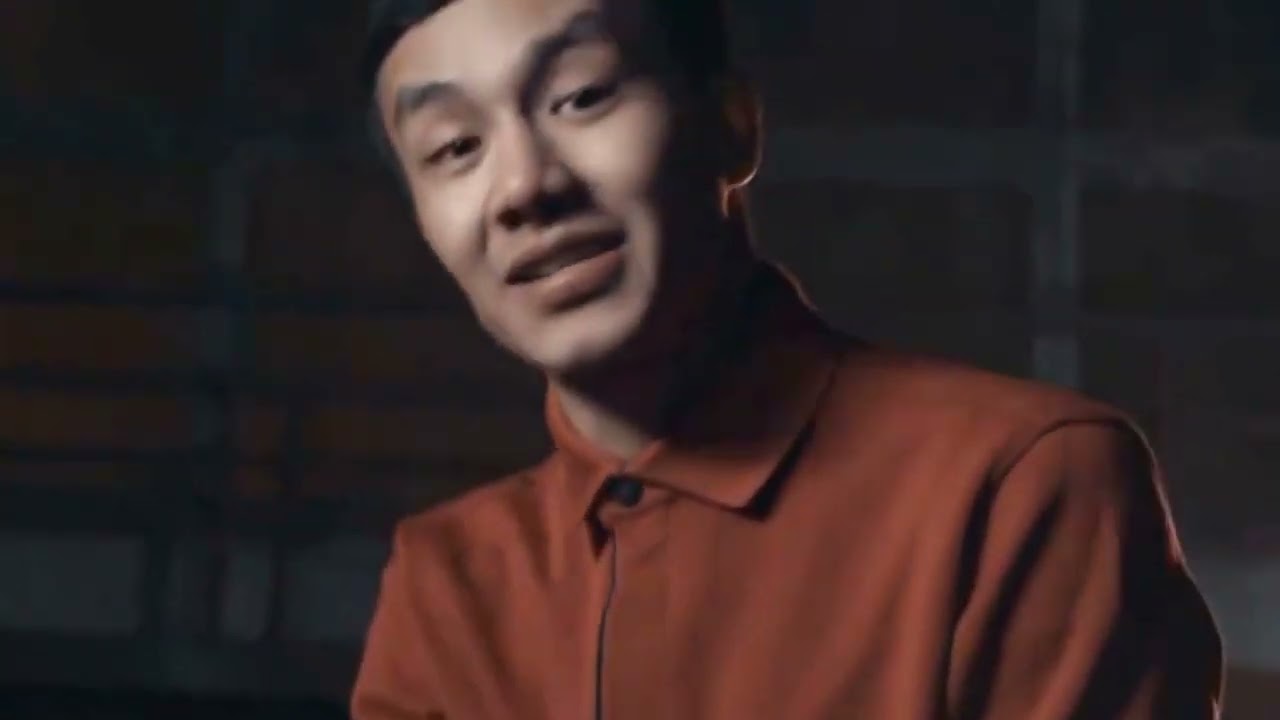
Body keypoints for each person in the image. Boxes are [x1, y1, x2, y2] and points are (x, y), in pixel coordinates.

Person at [350, 0, 1225, 717]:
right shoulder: (444, 581)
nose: (524, 187)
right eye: (454, 148)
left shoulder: (1020, 486)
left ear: (733, 125)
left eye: (581, 97)